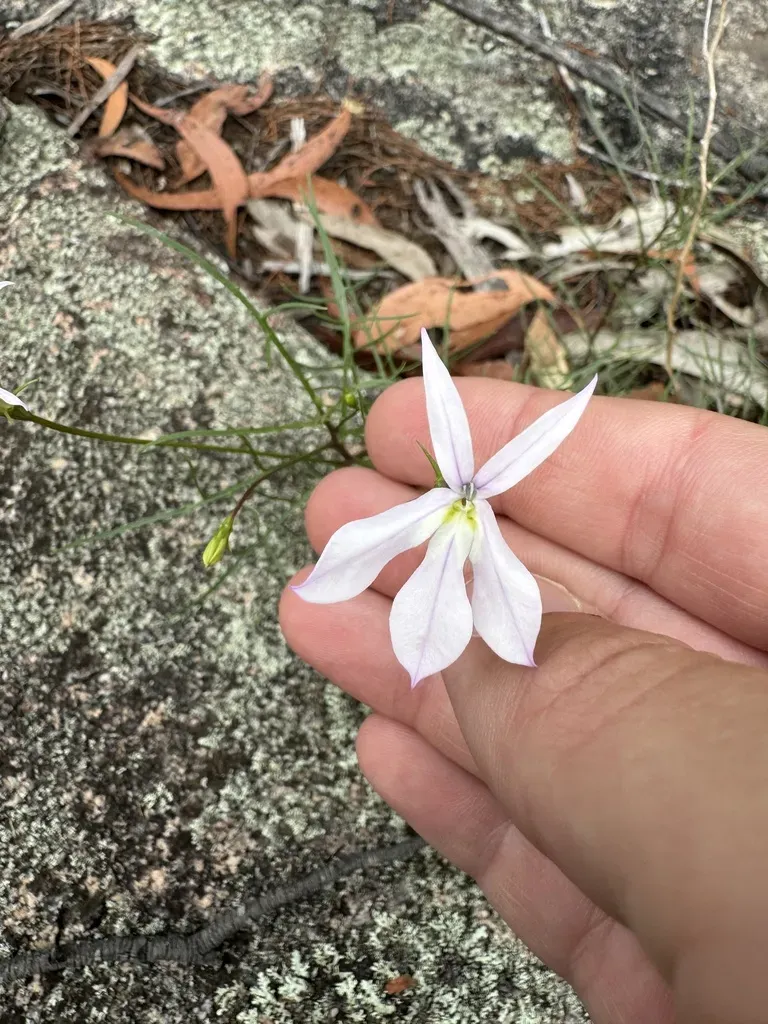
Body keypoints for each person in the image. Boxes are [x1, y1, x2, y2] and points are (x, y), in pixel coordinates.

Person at [280, 373, 768, 1024]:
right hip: (448, 516)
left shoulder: (473, 510)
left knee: (491, 626)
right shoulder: (448, 506)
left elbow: (513, 618)